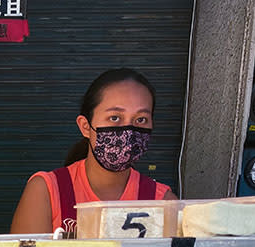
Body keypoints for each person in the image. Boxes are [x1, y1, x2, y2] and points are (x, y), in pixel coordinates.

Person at [10, 68, 177, 234]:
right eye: (115, 118)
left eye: (141, 119)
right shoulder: (46, 192)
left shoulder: (163, 202)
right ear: (85, 127)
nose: (129, 130)